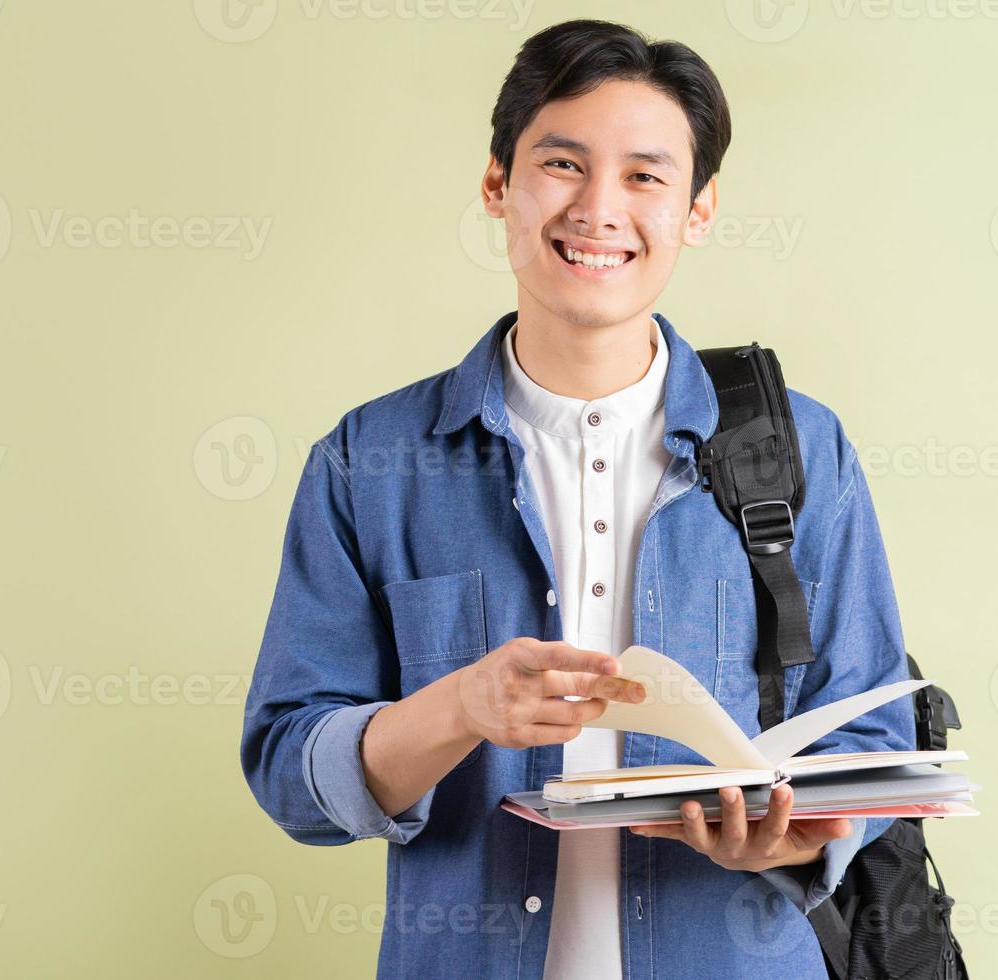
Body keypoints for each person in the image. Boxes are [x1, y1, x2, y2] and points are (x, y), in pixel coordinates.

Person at [241, 18, 915, 979]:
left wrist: (790, 839)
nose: (599, 208)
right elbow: (290, 768)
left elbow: (872, 735)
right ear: (497, 184)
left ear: (698, 207)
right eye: (562, 163)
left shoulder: (801, 448)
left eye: (646, 176)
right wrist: (461, 706)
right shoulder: (369, 460)